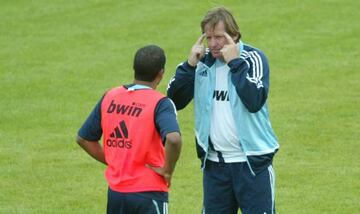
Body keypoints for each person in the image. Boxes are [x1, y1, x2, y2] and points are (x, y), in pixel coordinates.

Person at [167, 6, 279, 214]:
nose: (213, 44)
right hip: (215, 166)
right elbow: (174, 100)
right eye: (208, 38)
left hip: (252, 164)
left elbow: (254, 101)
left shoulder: (253, 59)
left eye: (219, 37)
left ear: (234, 35)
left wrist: (235, 62)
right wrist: (190, 64)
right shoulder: (202, 63)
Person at [77, 45, 182, 214]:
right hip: (149, 192)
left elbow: (83, 138)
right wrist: (167, 170)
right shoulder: (160, 103)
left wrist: (114, 160)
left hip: (116, 193)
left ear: (135, 69)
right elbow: (173, 139)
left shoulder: (110, 96)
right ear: (160, 73)